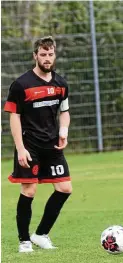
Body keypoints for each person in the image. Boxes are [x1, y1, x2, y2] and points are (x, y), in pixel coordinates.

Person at [4, 36, 72, 253]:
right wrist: (21, 148)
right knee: (29, 190)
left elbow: (65, 111)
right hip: (29, 145)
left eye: (50, 54)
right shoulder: (21, 85)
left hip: (52, 146)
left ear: (54, 55)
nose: (47, 58)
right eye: (43, 55)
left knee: (64, 188)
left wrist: (63, 132)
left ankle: (41, 235)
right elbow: (13, 116)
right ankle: (24, 241)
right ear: (35, 56)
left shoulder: (61, 84)